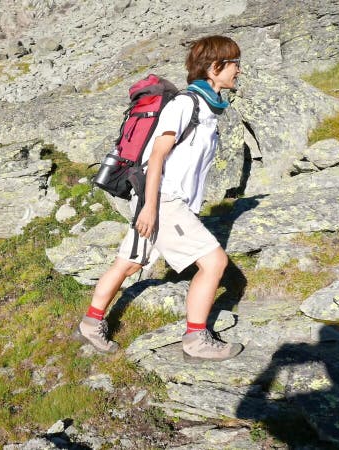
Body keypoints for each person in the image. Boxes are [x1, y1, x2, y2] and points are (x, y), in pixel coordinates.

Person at [75, 35, 244, 362]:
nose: (238, 69)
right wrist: (151, 207)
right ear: (214, 67)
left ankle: (90, 323)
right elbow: (157, 156)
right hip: (163, 201)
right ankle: (196, 338)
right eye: (233, 62)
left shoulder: (207, 108)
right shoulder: (186, 105)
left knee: (129, 263)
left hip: (163, 202)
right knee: (214, 263)